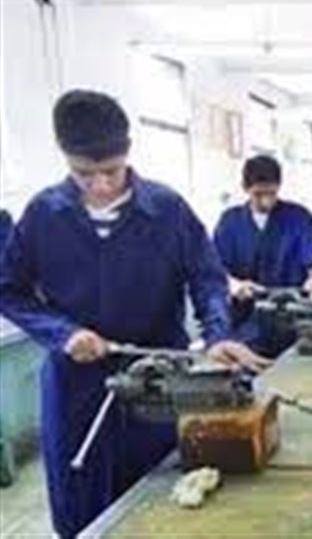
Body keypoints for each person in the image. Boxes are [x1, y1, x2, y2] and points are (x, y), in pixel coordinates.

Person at [0, 89, 267, 539]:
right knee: (81, 500)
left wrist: (218, 333)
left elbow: (207, 277)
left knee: (162, 496)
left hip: (161, 382)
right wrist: (63, 333)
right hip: (76, 387)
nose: (101, 185)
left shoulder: (167, 210)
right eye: (85, 174)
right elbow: (8, 289)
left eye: (111, 170)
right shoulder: (44, 215)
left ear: (127, 152)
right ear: (65, 158)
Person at [213, 155, 312, 356]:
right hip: (244, 324)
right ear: (245, 188)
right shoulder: (229, 222)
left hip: (294, 321)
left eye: (272, 193)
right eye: (258, 194)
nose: (266, 201)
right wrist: (234, 285)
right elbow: (213, 270)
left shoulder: (298, 217)